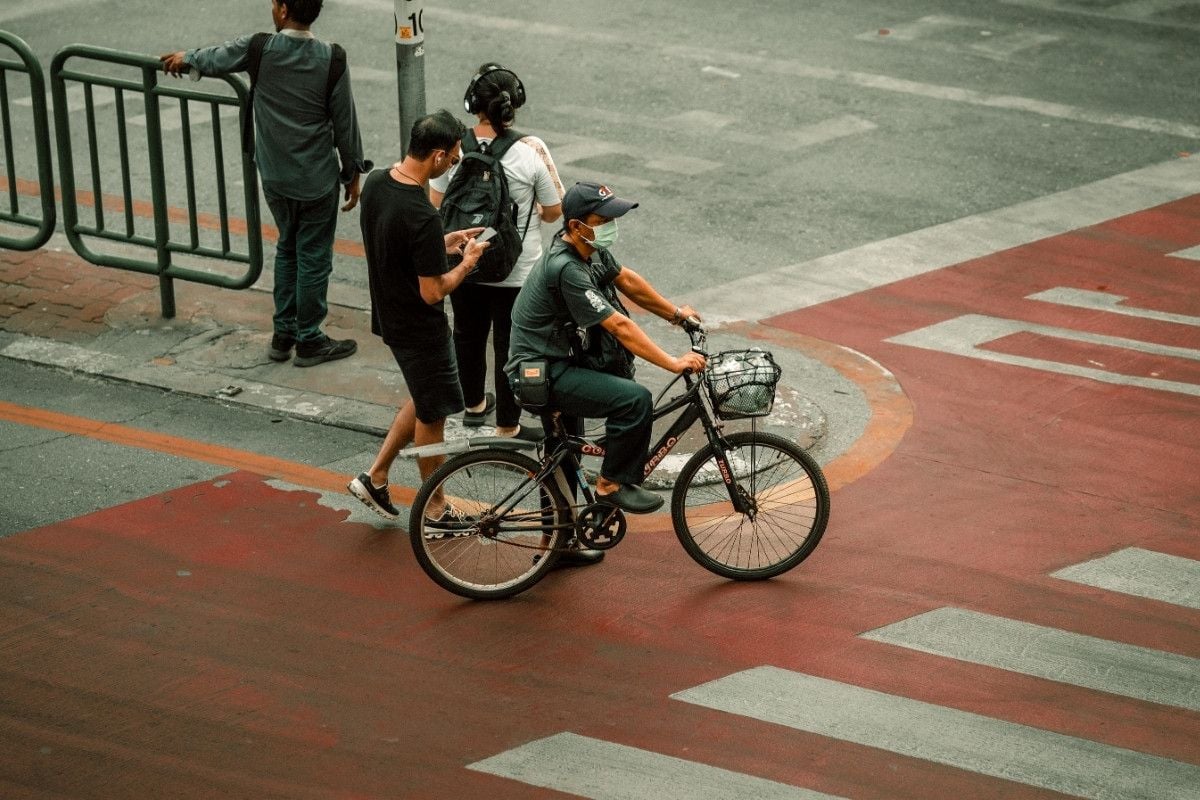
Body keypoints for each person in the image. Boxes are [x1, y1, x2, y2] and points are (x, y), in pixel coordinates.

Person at [160, 0, 369, 367]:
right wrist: (352, 174)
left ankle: (283, 333)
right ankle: (309, 338)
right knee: (314, 256)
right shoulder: (332, 58)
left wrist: (186, 57)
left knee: (287, 247)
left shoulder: (259, 47)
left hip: (274, 174)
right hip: (316, 179)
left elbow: (215, 57)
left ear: (284, 9)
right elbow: (345, 123)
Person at [506, 181, 706, 516]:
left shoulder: (589, 250)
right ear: (576, 225)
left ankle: (560, 544)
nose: (612, 227)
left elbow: (627, 280)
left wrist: (676, 315)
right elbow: (619, 326)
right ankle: (610, 484)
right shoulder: (567, 268)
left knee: (564, 454)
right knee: (633, 399)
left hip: (560, 360)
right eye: (604, 221)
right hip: (539, 371)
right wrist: (673, 363)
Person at [347, 110, 489, 524]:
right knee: (434, 411)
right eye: (456, 155)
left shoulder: (377, 184)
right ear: (439, 156)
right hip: (419, 326)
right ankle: (436, 508)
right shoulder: (422, 213)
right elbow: (433, 291)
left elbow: (395, 244)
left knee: (423, 394)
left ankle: (375, 476)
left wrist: (440, 244)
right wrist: (467, 262)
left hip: (388, 314)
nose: (457, 161)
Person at [430, 63, 564, 440]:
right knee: (511, 345)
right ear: (514, 103)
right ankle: (508, 425)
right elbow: (554, 211)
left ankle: (473, 406)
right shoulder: (531, 151)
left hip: (465, 260)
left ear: (473, 104)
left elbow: (435, 202)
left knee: (467, 334)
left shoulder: (455, 146)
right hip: (517, 269)